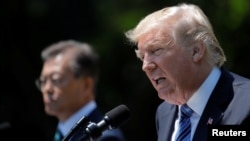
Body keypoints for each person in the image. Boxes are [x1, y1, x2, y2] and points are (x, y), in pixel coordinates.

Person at [125, 3, 250, 141]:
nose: (146, 66)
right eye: (142, 57)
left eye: (156, 50)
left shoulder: (246, 103)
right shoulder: (164, 112)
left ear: (196, 51)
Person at [35, 40, 125, 141]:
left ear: (86, 85)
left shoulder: (106, 138)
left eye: (56, 79)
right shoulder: (60, 133)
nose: (47, 89)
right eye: (43, 81)